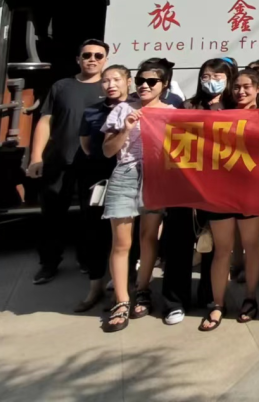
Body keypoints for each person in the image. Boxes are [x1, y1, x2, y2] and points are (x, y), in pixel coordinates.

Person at [27, 39, 109, 285]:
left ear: (105, 60)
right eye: (87, 55)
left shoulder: (109, 87)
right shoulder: (61, 86)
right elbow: (45, 121)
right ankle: (49, 263)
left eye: (98, 55)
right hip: (59, 161)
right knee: (52, 215)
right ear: (78, 59)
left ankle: (87, 260)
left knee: (91, 215)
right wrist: (36, 157)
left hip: (94, 163)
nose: (92, 59)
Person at [163, 58, 238, 321]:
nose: (211, 81)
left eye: (217, 76)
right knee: (178, 244)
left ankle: (210, 294)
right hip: (186, 186)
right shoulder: (188, 107)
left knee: (215, 246)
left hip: (221, 189)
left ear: (229, 79)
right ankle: (175, 301)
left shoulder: (236, 108)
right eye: (206, 76)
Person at [100, 59, 172, 332]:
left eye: (151, 81)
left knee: (149, 238)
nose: (144, 86)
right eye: (141, 80)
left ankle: (142, 289)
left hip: (157, 177)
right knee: (121, 243)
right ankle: (121, 300)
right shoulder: (122, 109)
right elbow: (108, 150)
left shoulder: (172, 112)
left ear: (164, 84)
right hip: (125, 175)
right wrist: (126, 128)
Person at [197, 68, 259, 332]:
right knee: (222, 249)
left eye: (247, 87)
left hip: (253, 191)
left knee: (251, 245)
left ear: (258, 89)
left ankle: (250, 297)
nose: (241, 91)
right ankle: (218, 303)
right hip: (220, 191)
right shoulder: (219, 116)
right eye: (237, 87)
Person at [74, 63, 129, 312]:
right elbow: (86, 144)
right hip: (98, 177)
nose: (111, 85)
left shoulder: (137, 108)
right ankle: (95, 286)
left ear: (128, 82)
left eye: (116, 79)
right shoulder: (92, 111)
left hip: (129, 178)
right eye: (106, 81)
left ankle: (124, 289)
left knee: (126, 237)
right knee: (94, 231)